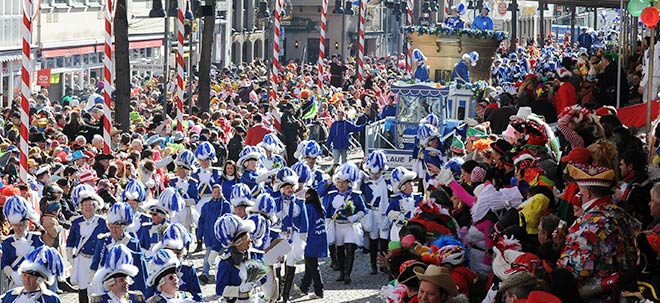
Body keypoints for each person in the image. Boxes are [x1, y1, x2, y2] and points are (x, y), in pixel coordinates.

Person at [557, 163, 640, 301]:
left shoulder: (589, 224)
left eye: (580, 189)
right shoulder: (622, 214)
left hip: (597, 296)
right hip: (625, 292)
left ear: (587, 193)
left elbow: (577, 269)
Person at [322, 162, 367, 284]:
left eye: (344, 182)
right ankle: (341, 272)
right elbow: (326, 211)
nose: (341, 185)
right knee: (339, 250)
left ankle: (348, 274)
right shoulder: (332, 195)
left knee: (350, 249)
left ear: (349, 183)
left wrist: (355, 216)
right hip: (337, 226)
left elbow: (364, 210)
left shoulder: (355, 195)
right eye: (339, 182)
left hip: (349, 226)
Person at [90, 202, 148, 296]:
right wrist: (92, 284)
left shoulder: (133, 243)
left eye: (116, 227)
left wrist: (142, 292)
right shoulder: (103, 241)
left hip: (127, 286)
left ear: (124, 227)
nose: (113, 230)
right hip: (107, 286)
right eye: (111, 227)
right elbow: (95, 263)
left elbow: (140, 271)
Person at [66, 189, 108, 303]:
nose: (88, 207)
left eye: (90, 205)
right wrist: (70, 258)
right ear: (81, 207)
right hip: (82, 259)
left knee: (97, 286)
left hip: (98, 260)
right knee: (83, 287)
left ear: (95, 206)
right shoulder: (76, 222)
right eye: (85, 205)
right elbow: (70, 241)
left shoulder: (103, 222)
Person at [274, 167, 308, 303]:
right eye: (286, 187)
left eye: (290, 187)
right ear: (281, 188)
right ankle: (275, 293)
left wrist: (302, 239)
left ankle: (286, 295)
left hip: (294, 235)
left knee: (291, 262)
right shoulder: (276, 202)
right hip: (280, 235)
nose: (288, 189)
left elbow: (304, 222)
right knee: (276, 263)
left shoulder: (300, 202)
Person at [2, 195, 44, 288]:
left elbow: (42, 258)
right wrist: (12, 275)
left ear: (26, 225)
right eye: (16, 225)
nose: (18, 228)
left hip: (34, 280)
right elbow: (4, 263)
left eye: (21, 225)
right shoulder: (7, 242)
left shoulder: (35, 238)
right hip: (15, 282)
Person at [214, 214, 258, 302]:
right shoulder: (226, 262)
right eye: (246, 238)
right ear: (238, 242)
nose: (250, 240)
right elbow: (220, 289)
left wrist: (255, 283)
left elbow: (262, 275)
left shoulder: (252, 255)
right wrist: (239, 289)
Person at [361, 150, 390, 274]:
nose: (374, 176)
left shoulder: (387, 181)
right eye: (372, 173)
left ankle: (383, 265)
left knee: (384, 242)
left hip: (383, 213)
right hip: (372, 213)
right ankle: (373, 265)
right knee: (373, 241)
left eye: (377, 173)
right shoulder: (365, 182)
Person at [197, 184, 232, 284]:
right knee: (208, 254)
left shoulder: (225, 205)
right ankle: (205, 274)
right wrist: (199, 234)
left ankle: (221, 275)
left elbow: (229, 220)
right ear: (212, 192)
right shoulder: (206, 206)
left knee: (221, 257)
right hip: (209, 235)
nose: (216, 194)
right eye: (215, 192)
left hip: (221, 236)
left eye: (218, 192)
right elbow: (201, 220)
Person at [299, 188, 327, 299]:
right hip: (320, 237)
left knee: (313, 265)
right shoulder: (320, 207)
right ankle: (304, 287)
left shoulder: (307, 208)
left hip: (310, 239)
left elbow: (305, 223)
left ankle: (319, 290)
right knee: (309, 265)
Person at [169, 150, 200, 241]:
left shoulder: (192, 182)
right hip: (174, 211)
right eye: (178, 167)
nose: (179, 169)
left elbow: (196, 199)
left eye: (182, 168)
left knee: (185, 232)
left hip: (186, 210)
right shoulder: (173, 181)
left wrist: (184, 201)